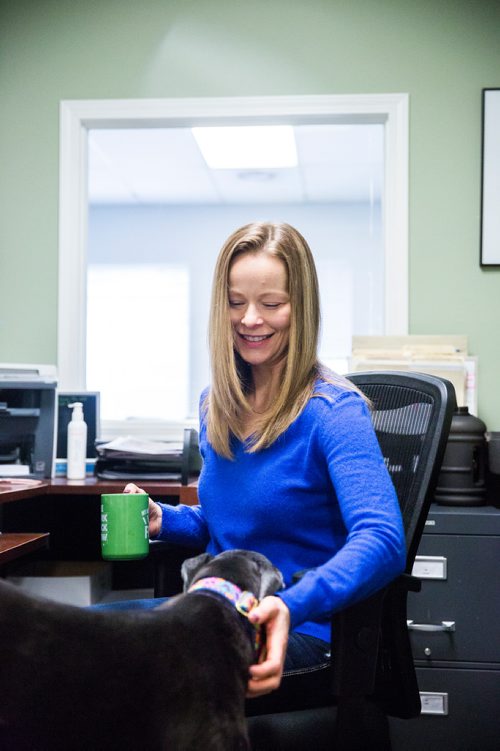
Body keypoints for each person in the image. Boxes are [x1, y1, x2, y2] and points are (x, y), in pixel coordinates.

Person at [103, 221, 406, 700]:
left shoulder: (333, 412)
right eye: (235, 302)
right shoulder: (216, 405)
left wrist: (290, 605)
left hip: (303, 632)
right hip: (216, 611)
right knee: (73, 638)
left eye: (271, 304)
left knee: (117, 680)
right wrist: (168, 521)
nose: (249, 319)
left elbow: (385, 539)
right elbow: (230, 523)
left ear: (300, 308)